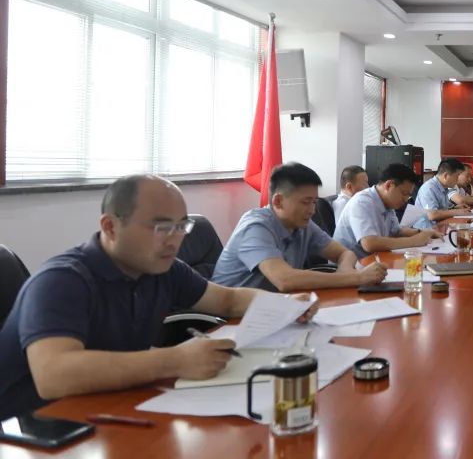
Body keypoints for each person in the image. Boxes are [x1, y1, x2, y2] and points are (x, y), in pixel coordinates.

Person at [0, 175, 320, 419]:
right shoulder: (62, 280)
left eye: (181, 227)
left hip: (109, 406)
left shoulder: (163, 269)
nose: (174, 240)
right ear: (110, 227)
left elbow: (228, 300)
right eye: (161, 227)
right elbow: (54, 375)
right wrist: (176, 360)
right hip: (36, 428)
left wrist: (285, 305)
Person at [212, 162, 386, 291]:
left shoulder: (303, 225)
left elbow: (344, 253)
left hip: (273, 308)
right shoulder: (255, 227)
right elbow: (285, 280)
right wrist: (356, 278)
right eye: (305, 202)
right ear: (278, 201)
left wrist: (345, 271)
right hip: (230, 320)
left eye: (314, 202)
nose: (312, 210)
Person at [334, 163, 443, 256]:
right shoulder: (362, 202)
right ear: (389, 185)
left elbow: (396, 231)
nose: (405, 199)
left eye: (408, 195)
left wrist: (423, 232)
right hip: (351, 266)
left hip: (372, 261)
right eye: (404, 193)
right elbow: (369, 243)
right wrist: (414, 241)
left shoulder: (387, 202)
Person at [414, 158, 471, 229]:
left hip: (440, 227)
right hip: (425, 231)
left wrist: (454, 208)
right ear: (446, 175)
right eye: (457, 176)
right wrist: (456, 212)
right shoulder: (429, 188)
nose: (457, 179)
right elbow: (432, 215)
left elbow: (441, 209)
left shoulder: (444, 187)